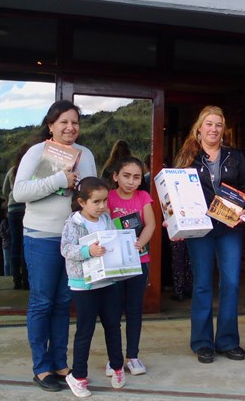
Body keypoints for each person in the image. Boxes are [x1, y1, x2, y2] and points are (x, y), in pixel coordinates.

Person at [13, 100, 97, 392]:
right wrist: (58, 179)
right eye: (63, 122)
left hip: (74, 238)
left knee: (63, 302)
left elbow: (93, 196)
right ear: (51, 125)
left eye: (74, 122)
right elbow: (20, 191)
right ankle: (42, 367)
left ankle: (60, 363)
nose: (70, 127)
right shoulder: (37, 152)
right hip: (41, 235)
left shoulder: (85, 155)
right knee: (42, 302)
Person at [173, 105, 245, 364]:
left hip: (228, 227)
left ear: (223, 130)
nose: (214, 129)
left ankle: (228, 341)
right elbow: (175, 191)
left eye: (218, 125)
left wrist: (242, 208)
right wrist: (174, 219)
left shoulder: (235, 156)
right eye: (209, 124)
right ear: (199, 128)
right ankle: (202, 342)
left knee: (230, 283)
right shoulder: (188, 157)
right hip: (200, 228)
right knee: (203, 284)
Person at [61, 177, 126, 397]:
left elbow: (114, 242)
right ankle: (78, 376)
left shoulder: (106, 219)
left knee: (113, 325)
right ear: (81, 202)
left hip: (108, 281)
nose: (102, 206)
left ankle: (117, 367)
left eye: (105, 201)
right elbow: (66, 250)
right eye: (96, 202)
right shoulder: (73, 223)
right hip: (83, 285)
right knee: (85, 330)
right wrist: (89, 251)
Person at [105, 156, 156, 377]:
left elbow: (150, 224)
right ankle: (114, 359)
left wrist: (139, 244)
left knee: (134, 311)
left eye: (136, 177)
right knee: (112, 312)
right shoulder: (107, 198)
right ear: (116, 176)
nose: (131, 181)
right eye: (126, 176)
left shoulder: (144, 196)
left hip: (139, 262)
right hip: (114, 264)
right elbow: (104, 225)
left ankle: (132, 356)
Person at [3, 143, 30, 289]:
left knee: (15, 242)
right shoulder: (32, 168)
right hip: (27, 208)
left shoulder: (12, 171)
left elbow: (5, 190)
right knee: (25, 243)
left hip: (13, 208)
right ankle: (26, 280)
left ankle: (16, 279)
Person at [0, 208, 12, 276]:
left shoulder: (14, 222)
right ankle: (6, 275)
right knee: (6, 263)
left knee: (12, 262)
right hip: (6, 244)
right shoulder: (4, 222)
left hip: (13, 244)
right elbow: (1, 232)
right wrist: (5, 236)